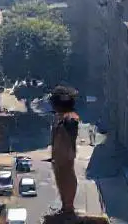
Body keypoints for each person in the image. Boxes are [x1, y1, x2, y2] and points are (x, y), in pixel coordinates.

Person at [47, 85, 81, 216]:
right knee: (60, 175)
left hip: (65, 154)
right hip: (60, 155)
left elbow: (68, 135)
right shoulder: (60, 118)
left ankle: (68, 206)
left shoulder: (70, 118)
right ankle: (65, 206)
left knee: (66, 174)